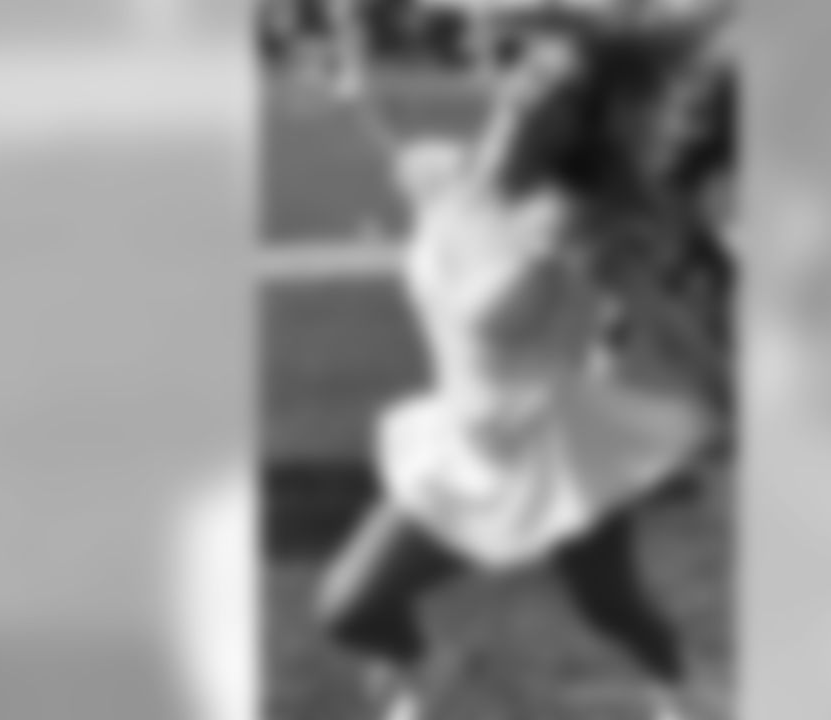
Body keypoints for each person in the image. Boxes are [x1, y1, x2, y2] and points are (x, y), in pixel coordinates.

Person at [313, 12, 735, 720]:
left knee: (612, 605)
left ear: (581, 127)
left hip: (550, 449)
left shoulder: (578, 219)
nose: (534, 91)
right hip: (462, 446)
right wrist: (358, 93)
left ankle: (693, 699)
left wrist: (726, 388)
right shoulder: (442, 172)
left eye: (563, 94)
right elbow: (395, 152)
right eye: (533, 69)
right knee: (348, 608)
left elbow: (664, 308)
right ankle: (433, 680)